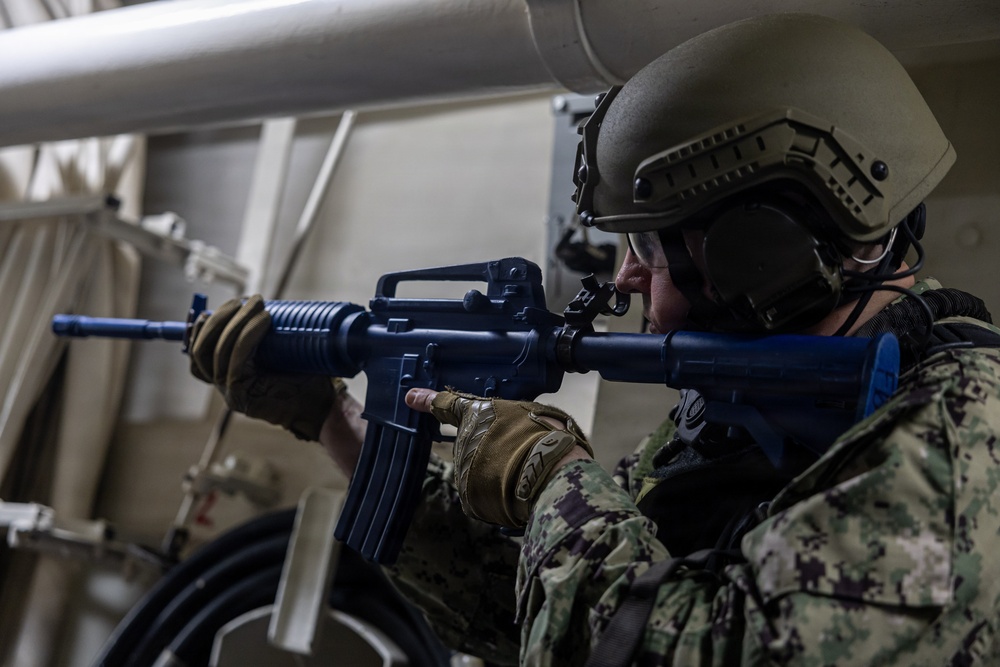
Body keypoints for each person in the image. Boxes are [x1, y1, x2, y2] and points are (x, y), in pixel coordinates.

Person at [188, 14, 1000, 666]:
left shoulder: (959, 446)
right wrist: (335, 421)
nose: (625, 280)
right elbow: (539, 610)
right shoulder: (743, 416)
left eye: (647, 248)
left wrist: (553, 482)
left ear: (764, 258)